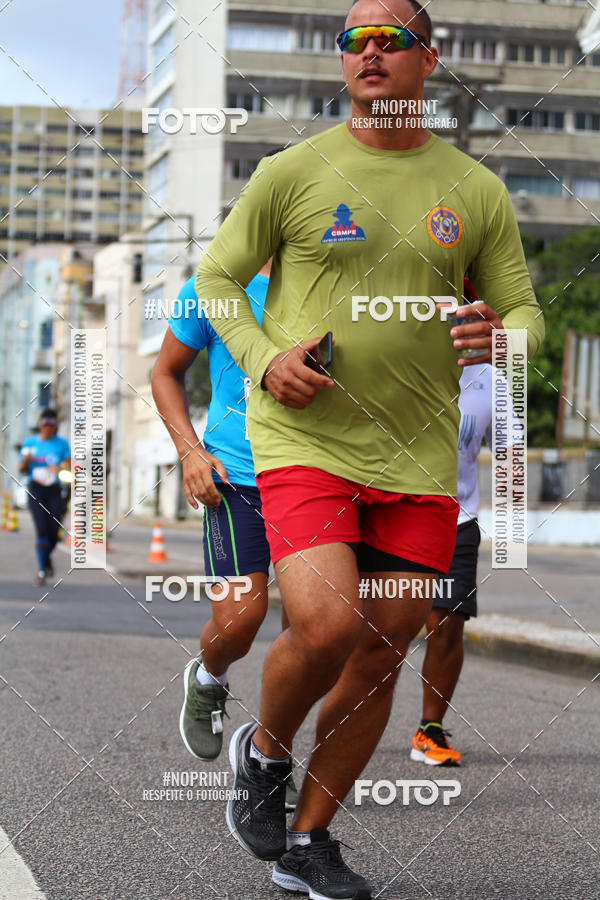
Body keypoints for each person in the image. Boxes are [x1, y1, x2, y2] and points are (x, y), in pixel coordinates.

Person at [195, 0, 545, 896]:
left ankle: (311, 842)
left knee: (387, 645)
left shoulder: (473, 189)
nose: (372, 52)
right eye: (356, 39)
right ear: (342, 62)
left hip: (422, 457)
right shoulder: (292, 172)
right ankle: (264, 753)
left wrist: (502, 342)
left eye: (393, 39)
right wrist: (266, 360)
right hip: (306, 440)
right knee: (326, 623)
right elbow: (217, 279)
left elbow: (525, 312)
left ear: (432, 59)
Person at [151, 257, 298, 808]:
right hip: (235, 479)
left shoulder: (336, 282)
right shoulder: (211, 287)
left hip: (314, 478)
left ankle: (268, 756)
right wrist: (190, 450)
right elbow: (165, 370)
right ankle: (210, 678)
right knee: (239, 620)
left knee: (316, 630)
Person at [411, 361, 506, 767]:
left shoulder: (491, 378)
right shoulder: (399, 356)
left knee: (447, 624)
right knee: (373, 630)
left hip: (457, 517)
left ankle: (429, 729)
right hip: (391, 511)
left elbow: (510, 447)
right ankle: (350, 720)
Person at [18, 409, 71, 586]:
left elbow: (68, 465)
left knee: (54, 533)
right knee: (41, 530)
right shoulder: (30, 443)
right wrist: (27, 460)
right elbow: (21, 468)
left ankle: (46, 560)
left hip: (54, 490)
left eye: (51, 425)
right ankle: (42, 570)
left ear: (55, 426)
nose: (48, 428)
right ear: (40, 425)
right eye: (45, 425)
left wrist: (60, 467)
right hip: (36, 490)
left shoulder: (61, 444)